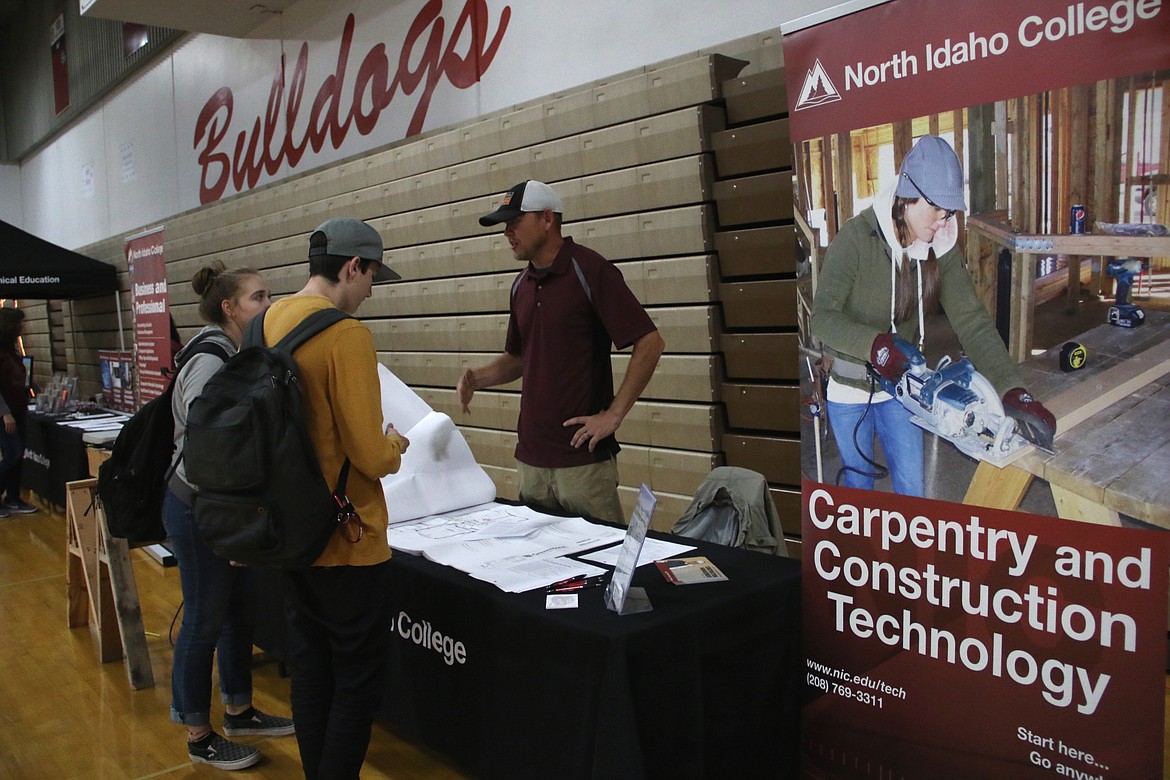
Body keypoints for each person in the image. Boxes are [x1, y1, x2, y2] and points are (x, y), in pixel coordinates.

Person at [811, 134, 1055, 496]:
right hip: (849, 388)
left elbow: (972, 320)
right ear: (907, 196)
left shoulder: (939, 244)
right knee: (856, 490)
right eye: (935, 210)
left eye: (948, 213)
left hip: (903, 387)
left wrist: (1011, 387)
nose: (941, 223)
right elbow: (822, 319)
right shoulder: (855, 239)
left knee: (913, 487)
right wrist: (874, 344)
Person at [263, 217, 409, 779]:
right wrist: (395, 442)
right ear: (353, 267)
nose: (371, 290)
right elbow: (370, 456)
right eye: (371, 276)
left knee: (311, 669)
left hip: (290, 532)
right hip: (347, 538)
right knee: (356, 681)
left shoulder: (268, 321)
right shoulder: (346, 335)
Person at [457, 180, 665, 524]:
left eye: (514, 222)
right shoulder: (520, 285)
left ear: (547, 218)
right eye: (504, 225)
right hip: (531, 461)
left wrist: (613, 415)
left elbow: (650, 342)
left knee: (602, 563)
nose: (507, 232)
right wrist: (477, 378)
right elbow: (520, 358)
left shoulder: (590, 270)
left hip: (582, 463)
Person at [163, 261, 292, 770]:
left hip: (216, 508)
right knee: (203, 619)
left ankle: (239, 710)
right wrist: (231, 523)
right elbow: (208, 441)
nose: (268, 304)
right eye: (258, 297)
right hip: (198, 509)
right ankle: (198, 732)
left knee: (237, 613)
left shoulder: (230, 350)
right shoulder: (213, 359)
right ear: (229, 307)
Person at [0, 307, 36, 517]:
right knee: (12, 452)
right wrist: (5, 413)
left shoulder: (10, 349)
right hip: (6, 413)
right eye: (18, 323)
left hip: (18, 408)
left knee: (17, 453)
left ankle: (13, 498)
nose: (22, 327)